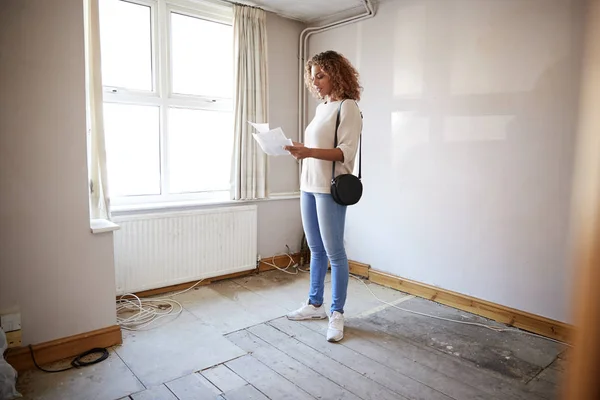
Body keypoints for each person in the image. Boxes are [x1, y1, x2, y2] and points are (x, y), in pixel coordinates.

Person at [284, 50, 363, 342]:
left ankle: (337, 313)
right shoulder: (322, 108)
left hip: (330, 188)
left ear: (336, 75)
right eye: (312, 76)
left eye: (321, 75)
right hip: (308, 185)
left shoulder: (348, 107)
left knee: (335, 254)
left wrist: (309, 151)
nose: (315, 82)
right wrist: (300, 149)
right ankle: (315, 304)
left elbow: (345, 152)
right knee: (315, 250)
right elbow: (318, 147)